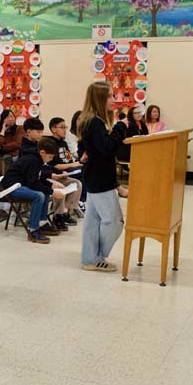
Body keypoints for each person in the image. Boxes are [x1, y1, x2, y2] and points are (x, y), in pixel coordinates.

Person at [78, 81, 125, 272]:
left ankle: (90, 258)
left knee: (93, 221)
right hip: (99, 179)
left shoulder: (94, 120)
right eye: (111, 96)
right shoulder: (94, 122)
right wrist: (121, 128)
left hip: (96, 177)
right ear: (100, 98)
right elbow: (106, 148)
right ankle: (97, 256)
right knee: (114, 221)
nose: (115, 100)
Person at [1, 135, 63, 244]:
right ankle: (33, 230)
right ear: (42, 152)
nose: (51, 159)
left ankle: (42, 223)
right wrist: (52, 191)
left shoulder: (37, 158)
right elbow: (33, 183)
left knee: (45, 191)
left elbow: (36, 177)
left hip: (21, 184)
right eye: (50, 157)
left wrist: (51, 185)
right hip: (11, 187)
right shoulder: (32, 160)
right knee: (39, 195)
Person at [48, 117, 83, 228]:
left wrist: (77, 163)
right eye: (62, 127)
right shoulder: (50, 143)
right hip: (54, 174)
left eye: (65, 127)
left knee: (77, 183)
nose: (65, 130)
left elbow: (69, 159)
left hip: (65, 172)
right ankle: (58, 215)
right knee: (64, 185)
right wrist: (72, 165)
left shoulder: (63, 143)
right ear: (53, 129)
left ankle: (66, 211)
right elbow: (54, 165)